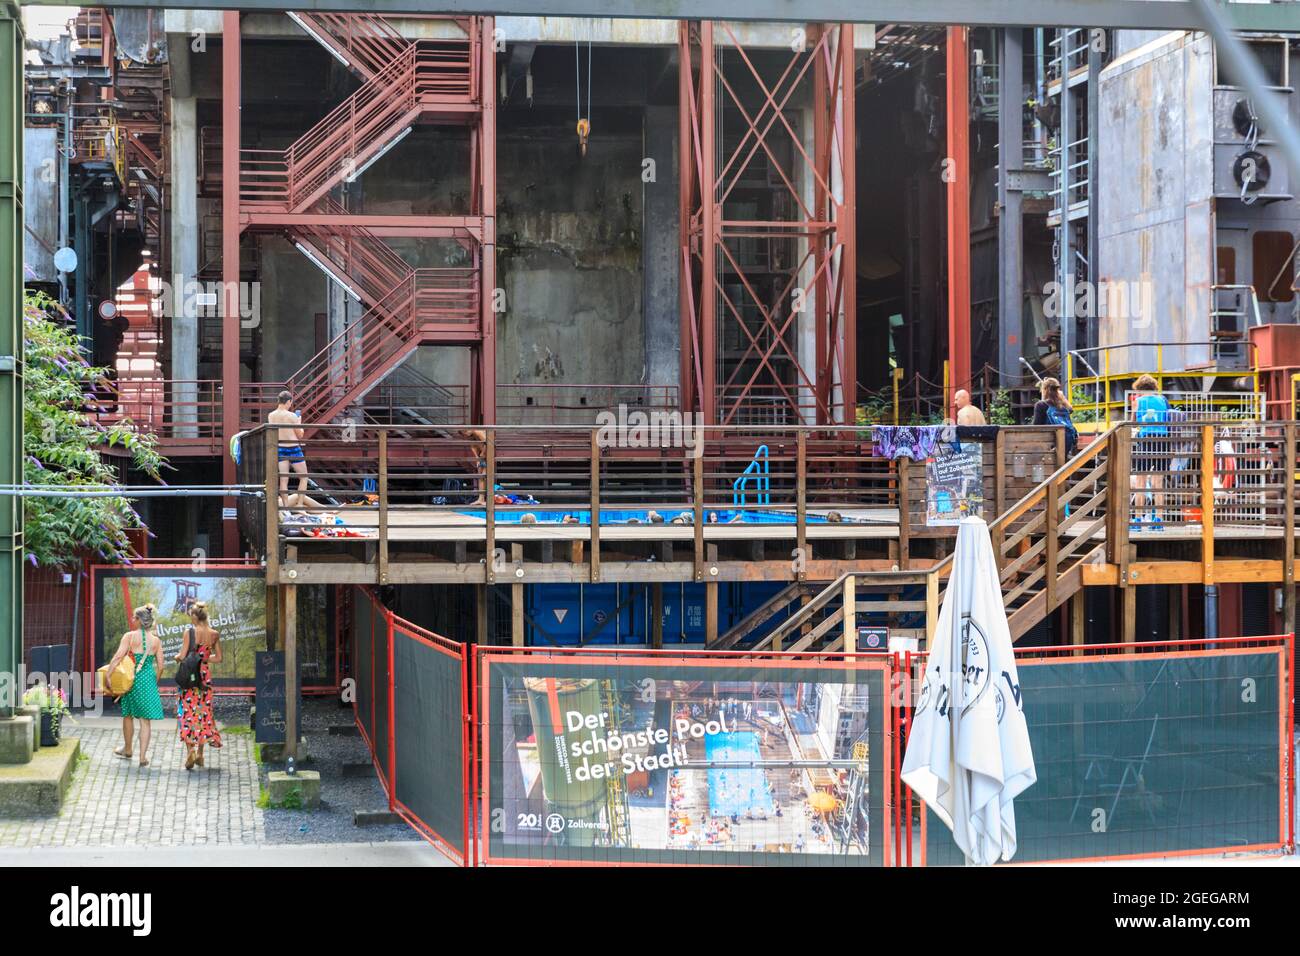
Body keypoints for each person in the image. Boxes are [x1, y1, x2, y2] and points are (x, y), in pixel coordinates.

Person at [105, 604, 165, 767]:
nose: (132, 619)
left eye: (134, 617)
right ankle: (143, 757)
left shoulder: (129, 637)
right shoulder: (156, 641)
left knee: (128, 715)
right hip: (147, 681)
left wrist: (109, 674)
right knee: (145, 721)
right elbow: (161, 666)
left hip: (130, 680)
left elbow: (118, 657)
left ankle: (128, 749)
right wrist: (154, 682)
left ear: (139, 620)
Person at [176, 600, 224, 770]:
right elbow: (218, 658)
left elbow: (182, 656)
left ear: (196, 616)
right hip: (204, 678)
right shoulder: (214, 634)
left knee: (187, 712)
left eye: (191, 616)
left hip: (190, 678)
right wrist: (203, 659)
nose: (190, 619)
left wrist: (177, 658)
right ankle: (201, 755)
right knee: (203, 713)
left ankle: (190, 750)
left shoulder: (189, 632)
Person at [1130, 374, 1170, 526]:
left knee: (1140, 482)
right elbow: (1168, 419)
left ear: (1139, 388)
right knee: (1158, 483)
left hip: (1145, 441)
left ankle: (1138, 519)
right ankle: (1158, 520)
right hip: (1162, 441)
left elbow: (1133, 423)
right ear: (1154, 387)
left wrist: (1136, 413)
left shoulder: (1138, 401)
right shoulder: (1163, 400)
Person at [269, 390, 308, 508]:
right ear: (288, 401)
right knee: (304, 477)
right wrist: (299, 422)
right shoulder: (292, 416)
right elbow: (300, 435)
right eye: (291, 402)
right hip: (293, 448)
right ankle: (300, 505)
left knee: (283, 480)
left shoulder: (271, 415)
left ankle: (286, 508)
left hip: (280, 448)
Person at [1032, 377, 1079, 456]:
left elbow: (1035, 426)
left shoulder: (1040, 405)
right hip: (1065, 444)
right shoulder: (1063, 407)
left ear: (1045, 389)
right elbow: (1071, 409)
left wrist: (1043, 396)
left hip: (1048, 445)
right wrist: (1062, 397)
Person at [459, 428, 488, 506]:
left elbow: (488, 443)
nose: (465, 435)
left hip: (488, 456)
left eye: (465, 433)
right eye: (464, 434)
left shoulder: (478, 432)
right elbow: (473, 447)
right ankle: (480, 499)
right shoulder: (470, 437)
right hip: (481, 457)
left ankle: (485, 499)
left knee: (485, 477)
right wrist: (478, 459)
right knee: (480, 477)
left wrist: (483, 453)